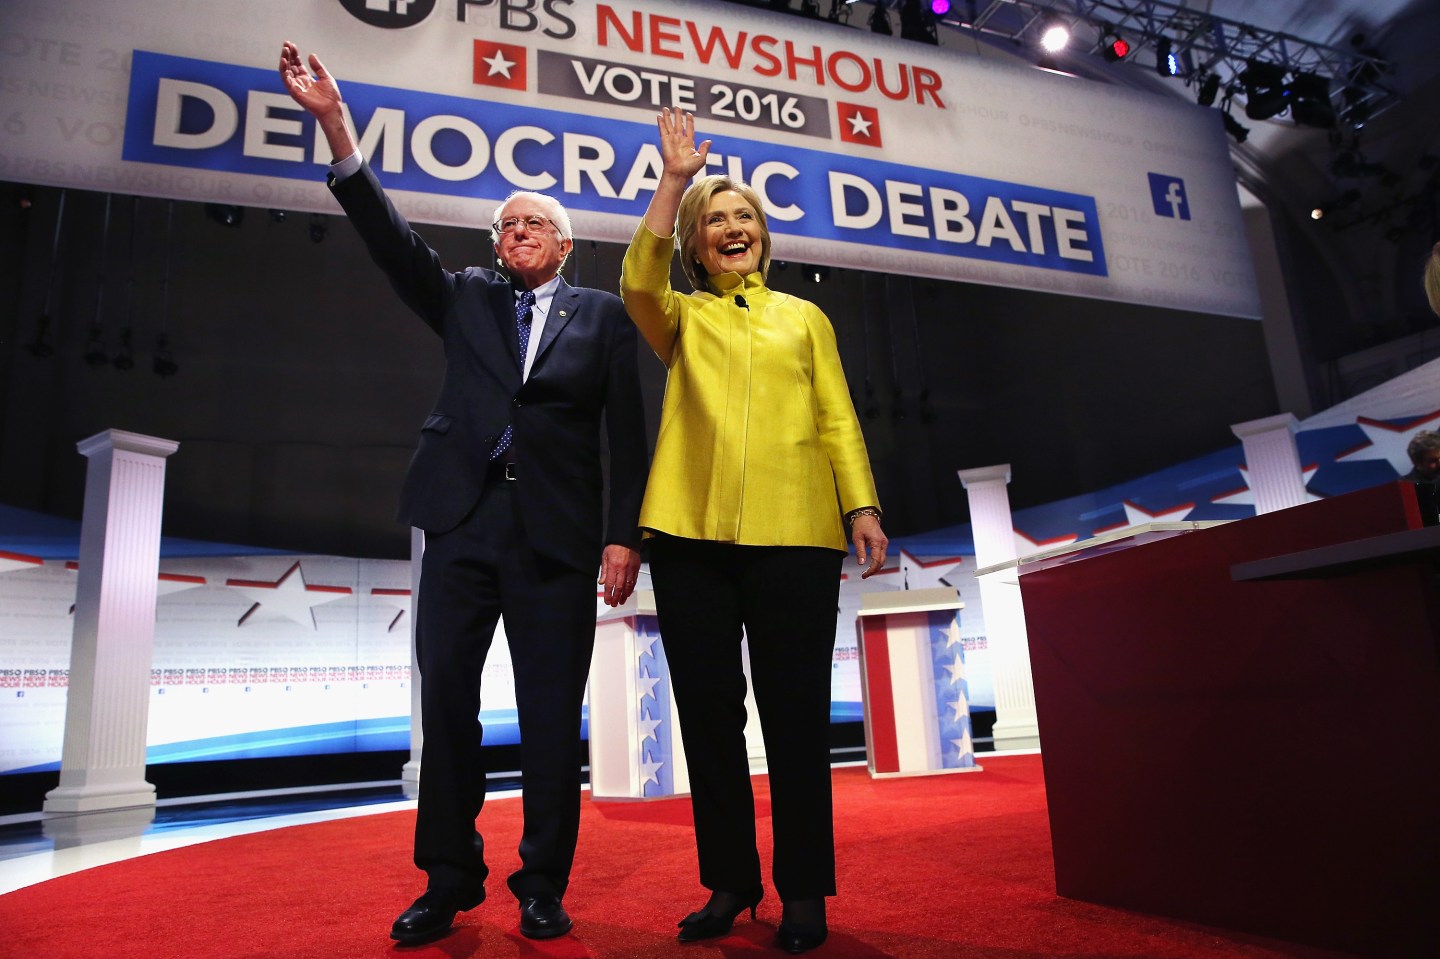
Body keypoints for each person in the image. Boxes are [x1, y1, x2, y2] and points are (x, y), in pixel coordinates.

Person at [278, 43, 648, 946]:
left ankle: (542, 883)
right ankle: (448, 878)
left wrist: (624, 535)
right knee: (447, 700)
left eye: (530, 224)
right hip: (460, 521)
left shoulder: (602, 315)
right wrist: (337, 128)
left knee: (552, 715)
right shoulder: (467, 297)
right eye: (503, 226)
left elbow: (629, 433)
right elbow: (391, 242)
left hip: (557, 537)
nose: (511, 233)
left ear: (565, 243)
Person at [619, 108, 888, 955]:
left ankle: (804, 888)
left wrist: (862, 504)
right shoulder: (680, 318)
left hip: (798, 535)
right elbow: (636, 282)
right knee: (707, 714)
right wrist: (673, 182)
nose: (730, 228)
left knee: (797, 715)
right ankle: (731, 881)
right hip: (689, 537)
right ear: (696, 248)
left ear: (762, 239)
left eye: (744, 218)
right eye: (715, 221)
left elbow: (838, 416)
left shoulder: (806, 320)